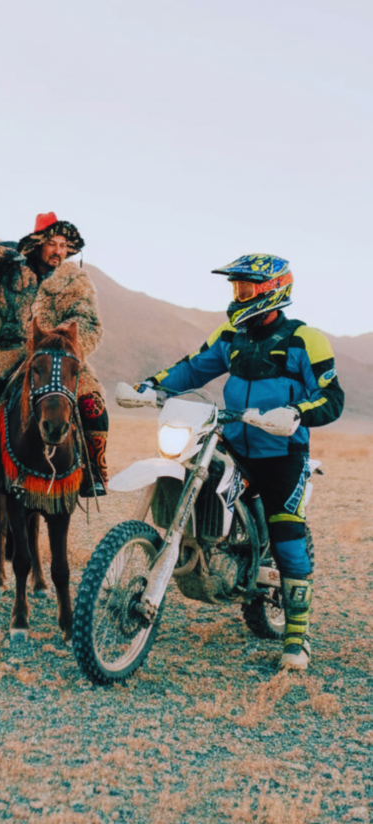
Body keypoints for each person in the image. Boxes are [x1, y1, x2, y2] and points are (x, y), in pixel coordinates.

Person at [138, 254, 344, 671]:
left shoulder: (305, 339)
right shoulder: (231, 334)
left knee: (287, 535)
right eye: (236, 288)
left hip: (282, 454)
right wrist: (152, 385)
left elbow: (332, 396)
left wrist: (297, 413)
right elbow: (195, 368)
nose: (239, 295)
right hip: (232, 443)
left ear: (272, 290)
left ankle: (297, 636)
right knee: (193, 482)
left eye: (246, 288)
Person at [0, 212, 108, 499]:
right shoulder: (12, 274)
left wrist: (63, 342)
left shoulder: (77, 281)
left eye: (63, 245)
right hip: (15, 349)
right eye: (52, 243)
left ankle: (93, 470)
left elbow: (90, 324)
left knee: (93, 403)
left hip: (61, 353)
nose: (58, 251)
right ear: (38, 244)